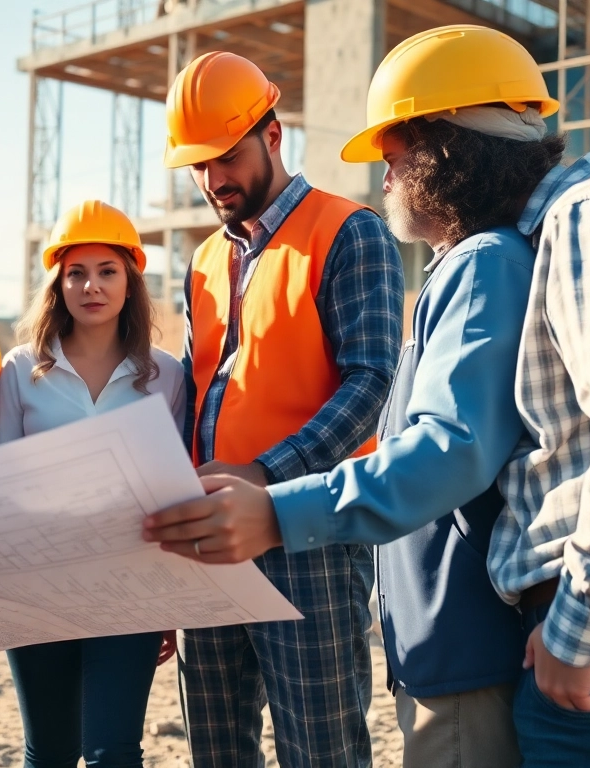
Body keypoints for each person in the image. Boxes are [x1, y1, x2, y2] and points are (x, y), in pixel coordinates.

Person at [145, 25, 590, 768]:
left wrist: (575, 628)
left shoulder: (586, 221)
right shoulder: (530, 244)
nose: (385, 177)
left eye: (394, 154)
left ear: (447, 147)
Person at [161, 51, 404, 767]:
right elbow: (196, 392)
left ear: (272, 135)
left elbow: (372, 383)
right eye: (198, 165)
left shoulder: (349, 231)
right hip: (207, 536)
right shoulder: (204, 261)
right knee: (216, 749)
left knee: (320, 749)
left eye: (227, 157)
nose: (213, 180)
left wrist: (265, 477)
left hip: (311, 537)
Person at [0, 200, 185, 768]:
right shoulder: (21, 368)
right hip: (38, 585)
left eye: (107, 271)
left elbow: (173, 490)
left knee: (114, 752)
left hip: (130, 587)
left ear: (131, 281)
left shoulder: (167, 374)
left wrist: (170, 600)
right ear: (58, 283)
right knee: (49, 752)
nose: (91, 285)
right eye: (76, 272)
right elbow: (1, 483)